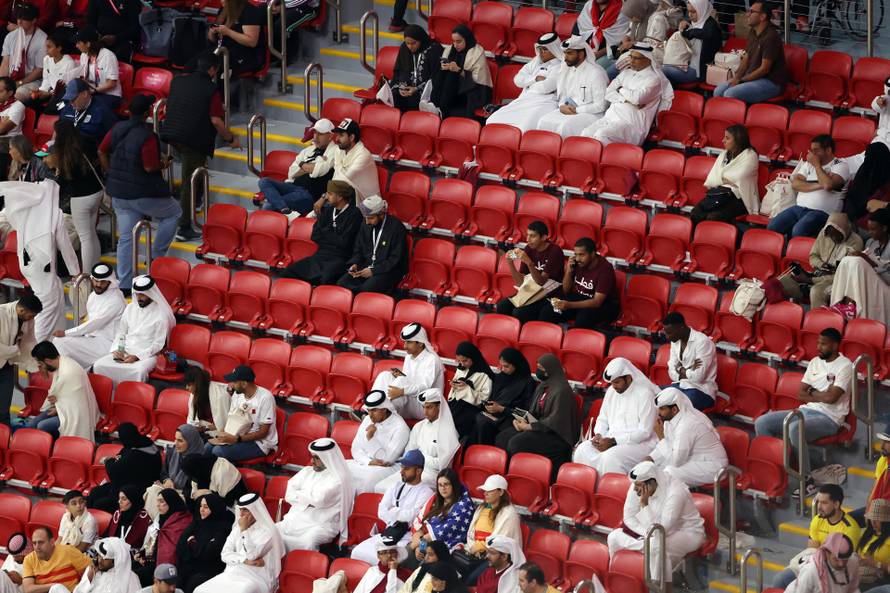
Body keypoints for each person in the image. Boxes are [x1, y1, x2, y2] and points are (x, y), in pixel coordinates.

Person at [755, 328, 853, 494]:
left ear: (835, 345)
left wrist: (812, 393)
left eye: (823, 344)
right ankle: (775, 472)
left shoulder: (845, 366)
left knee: (795, 429)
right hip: (805, 410)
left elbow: (832, 399)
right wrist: (821, 394)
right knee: (762, 422)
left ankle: (807, 480)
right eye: (818, 343)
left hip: (829, 418)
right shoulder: (815, 361)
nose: (818, 347)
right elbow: (801, 394)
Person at [98, 95, 180, 291]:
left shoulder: (117, 128)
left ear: (129, 111)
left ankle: (125, 283)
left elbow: (102, 151)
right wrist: (164, 163)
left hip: (118, 193)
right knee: (174, 213)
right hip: (142, 193)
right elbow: (150, 166)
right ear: (146, 114)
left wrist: (112, 173)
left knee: (126, 237)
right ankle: (156, 258)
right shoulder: (147, 135)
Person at [162, 51, 237, 242]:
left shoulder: (178, 80)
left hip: (171, 134)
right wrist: (230, 139)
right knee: (190, 181)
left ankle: (195, 202)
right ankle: (184, 226)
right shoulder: (210, 88)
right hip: (192, 139)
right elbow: (216, 121)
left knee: (193, 172)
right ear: (212, 69)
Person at [0, 180, 80, 341]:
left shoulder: (23, 210)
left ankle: (56, 343)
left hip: (25, 265)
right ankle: (34, 348)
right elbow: (65, 245)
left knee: (57, 297)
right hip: (42, 269)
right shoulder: (54, 213)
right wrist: (75, 271)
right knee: (46, 308)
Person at [607, 461, 705, 587]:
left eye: (638, 486)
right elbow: (629, 517)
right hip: (652, 532)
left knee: (657, 548)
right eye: (634, 485)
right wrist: (646, 534)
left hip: (688, 532)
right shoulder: (638, 485)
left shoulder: (675, 492)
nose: (635, 489)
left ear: (652, 483)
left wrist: (644, 504)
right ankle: (619, 582)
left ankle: (657, 588)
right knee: (613, 537)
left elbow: (660, 531)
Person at [495, 354, 580, 477]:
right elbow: (533, 411)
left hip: (556, 435)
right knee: (502, 437)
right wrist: (518, 421)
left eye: (541, 368)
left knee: (516, 443)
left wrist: (527, 427)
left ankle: (519, 476)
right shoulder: (543, 386)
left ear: (551, 369)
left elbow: (554, 422)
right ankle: (506, 473)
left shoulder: (562, 391)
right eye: (538, 367)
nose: (538, 371)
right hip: (539, 427)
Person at [573, 357, 658, 475]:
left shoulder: (645, 394)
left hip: (640, 444)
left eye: (617, 382)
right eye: (612, 383)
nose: (613, 386)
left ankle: (608, 491)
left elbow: (644, 432)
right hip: (610, 438)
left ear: (628, 378)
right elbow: (603, 418)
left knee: (610, 457)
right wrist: (599, 435)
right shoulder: (611, 392)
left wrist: (614, 442)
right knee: (582, 450)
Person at [350, 449, 434, 566]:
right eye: (402, 467)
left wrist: (393, 510)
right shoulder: (396, 486)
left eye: (406, 468)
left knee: (384, 561)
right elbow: (381, 511)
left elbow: (412, 517)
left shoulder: (426, 492)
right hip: (389, 531)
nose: (401, 471)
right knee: (357, 552)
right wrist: (398, 515)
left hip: (407, 537)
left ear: (418, 471)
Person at [582, 44, 674, 147]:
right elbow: (608, 93)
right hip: (610, 118)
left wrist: (620, 89)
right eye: (631, 56)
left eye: (636, 58)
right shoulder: (625, 73)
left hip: (631, 124)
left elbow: (637, 99)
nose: (632, 61)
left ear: (648, 59)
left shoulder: (654, 79)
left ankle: (612, 162)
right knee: (585, 133)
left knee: (602, 135)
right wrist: (625, 100)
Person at [772, 484, 863, 589]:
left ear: (836, 504)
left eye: (824, 503)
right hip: (814, 563)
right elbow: (812, 549)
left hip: (835, 571)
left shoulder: (850, 529)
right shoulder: (818, 520)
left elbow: (841, 561)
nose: (819, 506)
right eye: (818, 501)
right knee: (780, 579)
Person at [43, 120, 105, 272]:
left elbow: (63, 180)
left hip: (80, 198)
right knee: (91, 233)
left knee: (85, 237)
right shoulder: (86, 142)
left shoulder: (64, 152)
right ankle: (95, 269)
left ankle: (86, 274)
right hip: (97, 192)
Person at [92, 275, 176, 384]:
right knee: (99, 365)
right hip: (125, 352)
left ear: (150, 293)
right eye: (137, 294)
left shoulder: (161, 314)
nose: (139, 297)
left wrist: (137, 357)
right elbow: (121, 333)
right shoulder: (130, 308)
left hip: (147, 355)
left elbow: (158, 344)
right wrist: (117, 350)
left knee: (138, 371)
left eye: (142, 294)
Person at [194, 493, 285, 593]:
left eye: (245, 510)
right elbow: (224, 554)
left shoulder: (268, 531)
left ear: (255, 511)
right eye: (240, 509)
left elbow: (251, 556)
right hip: (232, 572)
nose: (241, 514)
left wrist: (244, 531)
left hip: (256, 577)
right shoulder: (238, 528)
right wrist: (244, 560)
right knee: (200, 590)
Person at [376, 388, 460, 493]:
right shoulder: (419, 426)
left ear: (439, 407)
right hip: (411, 470)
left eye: (429, 407)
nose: (425, 412)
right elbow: (408, 453)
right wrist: (416, 461)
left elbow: (443, 465)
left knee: (401, 491)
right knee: (380, 487)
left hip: (433, 475)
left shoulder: (448, 431)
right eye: (423, 407)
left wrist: (419, 459)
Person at [277, 437, 354, 552]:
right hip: (297, 517)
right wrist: (310, 499)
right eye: (312, 457)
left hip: (322, 524)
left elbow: (319, 500)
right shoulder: (307, 471)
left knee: (307, 543)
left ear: (328, 458)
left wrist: (300, 495)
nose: (312, 461)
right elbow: (289, 495)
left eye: (316, 458)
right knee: (272, 532)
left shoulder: (339, 479)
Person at [279, 180, 362, 285]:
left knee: (325, 279)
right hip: (320, 254)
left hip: (340, 258)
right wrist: (333, 235)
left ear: (340, 197)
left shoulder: (355, 214)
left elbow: (344, 243)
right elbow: (315, 235)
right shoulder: (327, 210)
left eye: (330, 194)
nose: (327, 197)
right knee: (288, 272)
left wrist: (325, 232)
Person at [769, 135, 852, 239]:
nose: (812, 154)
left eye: (816, 150)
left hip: (823, 213)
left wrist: (817, 165)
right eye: (811, 150)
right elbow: (795, 184)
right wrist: (819, 184)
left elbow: (828, 185)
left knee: (798, 231)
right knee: (773, 226)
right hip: (799, 209)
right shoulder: (808, 164)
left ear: (828, 150)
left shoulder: (840, 165)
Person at [647, 388, 728, 487]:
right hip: (693, 460)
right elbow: (669, 446)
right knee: (651, 468)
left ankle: (673, 501)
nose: (658, 413)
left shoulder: (687, 425)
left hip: (712, 466)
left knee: (669, 472)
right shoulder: (669, 420)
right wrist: (650, 458)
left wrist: (661, 436)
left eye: (662, 409)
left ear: (674, 409)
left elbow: (676, 461)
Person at [778, 214, 863, 305]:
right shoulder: (824, 233)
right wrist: (821, 264)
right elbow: (813, 256)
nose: (833, 238)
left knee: (816, 291)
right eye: (831, 236)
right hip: (817, 273)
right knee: (783, 280)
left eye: (836, 235)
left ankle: (816, 318)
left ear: (844, 231)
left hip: (837, 282)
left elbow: (845, 276)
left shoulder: (856, 242)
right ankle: (794, 313)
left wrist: (810, 280)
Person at [52, 264, 126, 368]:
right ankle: (72, 373)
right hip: (91, 339)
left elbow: (94, 324)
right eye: (96, 280)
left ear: (110, 281)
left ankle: (73, 373)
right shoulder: (93, 295)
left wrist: (66, 332)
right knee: (58, 342)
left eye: (102, 282)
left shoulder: (116, 300)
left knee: (62, 342)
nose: (98, 284)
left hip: (107, 344)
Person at [255, 119, 335, 215]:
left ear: (330, 136)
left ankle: (280, 207)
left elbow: (319, 170)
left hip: (308, 195)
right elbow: (292, 173)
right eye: (315, 133)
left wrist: (302, 165)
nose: (316, 137)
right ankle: (284, 208)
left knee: (268, 206)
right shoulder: (307, 150)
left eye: (320, 134)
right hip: (293, 187)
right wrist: (309, 167)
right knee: (264, 181)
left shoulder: (335, 151)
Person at [486, 34, 563, 133]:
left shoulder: (561, 66)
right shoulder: (535, 62)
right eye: (540, 49)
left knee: (524, 127)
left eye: (545, 49)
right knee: (492, 120)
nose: (541, 53)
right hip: (524, 100)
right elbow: (517, 80)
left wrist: (527, 84)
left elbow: (545, 87)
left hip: (544, 103)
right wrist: (535, 79)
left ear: (554, 49)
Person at [713, 0, 787, 103]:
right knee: (717, 92)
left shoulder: (771, 37)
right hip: (753, 77)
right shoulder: (753, 31)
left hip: (771, 82)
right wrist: (737, 78)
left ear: (762, 16)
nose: (747, 14)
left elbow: (764, 69)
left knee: (730, 94)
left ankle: (735, 118)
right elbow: (746, 58)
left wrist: (742, 80)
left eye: (752, 12)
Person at [539, 237, 620, 329]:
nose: (577, 258)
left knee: (583, 319)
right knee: (548, 310)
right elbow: (565, 289)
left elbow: (597, 302)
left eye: (581, 255)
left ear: (593, 254)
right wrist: (569, 271)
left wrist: (569, 305)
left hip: (605, 305)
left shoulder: (605, 269)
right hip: (581, 300)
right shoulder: (577, 263)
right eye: (576, 254)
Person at [494, 221, 566, 324]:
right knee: (502, 305)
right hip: (531, 291)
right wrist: (510, 263)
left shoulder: (555, 251)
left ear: (544, 237)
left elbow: (541, 282)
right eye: (527, 235)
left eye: (532, 236)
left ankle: (524, 336)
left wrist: (529, 263)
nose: (528, 239)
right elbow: (520, 283)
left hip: (549, 295)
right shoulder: (529, 249)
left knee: (519, 313)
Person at [337, 194, 410, 294]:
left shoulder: (396, 227)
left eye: (370, 218)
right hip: (367, 266)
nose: (367, 222)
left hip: (388, 270)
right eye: (365, 218)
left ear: (381, 214)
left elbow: (395, 259)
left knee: (366, 289)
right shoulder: (365, 224)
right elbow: (358, 248)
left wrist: (374, 271)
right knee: (342, 283)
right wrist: (355, 263)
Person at [537, 36, 608, 138]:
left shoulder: (596, 73)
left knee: (565, 126)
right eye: (565, 53)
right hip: (569, 109)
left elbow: (601, 105)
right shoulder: (568, 70)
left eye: (569, 53)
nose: (565, 57)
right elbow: (563, 94)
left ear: (581, 54)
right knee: (543, 121)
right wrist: (562, 106)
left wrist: (577, 110)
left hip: (592, 114)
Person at [371, 323, 444, 420]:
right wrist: (401, 376)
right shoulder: (408, 357)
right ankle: (372, 408)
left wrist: (402, 391)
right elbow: (408, 381)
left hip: (425, 405)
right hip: (408, 399)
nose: (404, 346)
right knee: (385, 375)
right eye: (405, 342)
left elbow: (425, 387)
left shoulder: (432, 360)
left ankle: (380, 414)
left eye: (409, 342)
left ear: (421, 343)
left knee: (401, 382)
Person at [29, 341, 99, 441]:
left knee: (42, 425)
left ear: (48, 361)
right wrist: (57, 405)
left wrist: (58, 409)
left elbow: (74, 406)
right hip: (63, 409)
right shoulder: (61, 362)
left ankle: (50, 451)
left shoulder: (68, 372)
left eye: (40, 364)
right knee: (32, 424)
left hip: (75, 415)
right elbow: (58, 396)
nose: (40, 367)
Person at [206, 365, 278, 463]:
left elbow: (263, 433)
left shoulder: (266, 398)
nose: (231, 385)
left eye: (235, 382)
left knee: (217, 451)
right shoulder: (237, 394)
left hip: (259, 443)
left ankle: (223, 476)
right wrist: (222, 435)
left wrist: (236, 439)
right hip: (237, 437)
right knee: (208, 447)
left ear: (244, 384)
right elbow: (231, 420)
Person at [690, 125, 760, 224]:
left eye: (727, 138)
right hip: (719, 194)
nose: (723, 140)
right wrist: (724, 179)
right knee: (695, 213)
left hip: (740, 199)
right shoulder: (723, 154)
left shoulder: (750, 155)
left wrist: (720, 178)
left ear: (738, 139)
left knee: (713, 217)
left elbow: (737, 177)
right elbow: (711, 179)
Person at [830, 207, 890, 323]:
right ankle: (840, 303)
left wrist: (868, 260)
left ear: (884, 228)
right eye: (869, 229)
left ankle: (851, 306)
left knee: (857, 262)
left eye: (873, 229)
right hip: (872, 285)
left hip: (886, 287)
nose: (870, 233)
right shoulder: (870, 243)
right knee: (848, 260)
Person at [87, 423, 162, 512]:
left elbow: (115, 470)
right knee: (95, 492)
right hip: (126, 483)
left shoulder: (136, 454)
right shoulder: (142, 442)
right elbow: (121, 458)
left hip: (137, 489)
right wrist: (115, 460)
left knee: (100, 504)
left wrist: (108, 461)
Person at [346, 390, 410, 494]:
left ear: (384, 409)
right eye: (368, 410)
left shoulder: (400, 427)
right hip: (365, 462)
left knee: (368, 480)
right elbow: (355, 448)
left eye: (374, 410)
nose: (370, 415)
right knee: (339, 469)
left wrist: (371, 438)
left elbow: (387, 460)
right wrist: (368, 461)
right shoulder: (368, 419)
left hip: (388, 467)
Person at [463, 477, 523, 584]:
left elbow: (497, 544)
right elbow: (470, 533)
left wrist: (478, 547)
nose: (485, 493)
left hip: (499, 559)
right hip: (476, 553)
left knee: (469, 581)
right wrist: (473, 546)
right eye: (485, 490)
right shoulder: (482, 507)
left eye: (490, 490)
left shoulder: (509, 513)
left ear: (501, 492)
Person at [472, 348, 536, 447]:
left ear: (516, 365)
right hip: (495, 414)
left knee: (485, 424)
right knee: (478, 419)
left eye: (506, 366)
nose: (502, 369)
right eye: (501, 366)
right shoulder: (501, 377)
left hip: (512, 418)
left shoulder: (528, 382)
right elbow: (494, 397)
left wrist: (502, 409)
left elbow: (525, 411)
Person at [425, 26, 492, 119]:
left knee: (452, 75)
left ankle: (441, 109)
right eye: (453, 41)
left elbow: (477, 79)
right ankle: (433, 104)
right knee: (441, 73)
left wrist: (459, 70)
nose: (455, 45)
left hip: (474, 90)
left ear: (467, 39)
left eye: (459, 41)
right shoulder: (450, 49)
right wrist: (445, 66)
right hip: (455, 88)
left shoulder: (477, 52)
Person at [408, 469, 475, 557]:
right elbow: (421, 527)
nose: (443, 488)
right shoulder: (435, 500)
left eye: (446, 484)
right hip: (423, 546)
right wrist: (418, 548)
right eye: (440, 485)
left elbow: (437, 534)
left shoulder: (463, 507)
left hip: (441, 553)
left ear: (454, 485)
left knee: (403, 557)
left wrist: (412, 548)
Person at [144, 425, 205, 520]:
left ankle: (161, 525)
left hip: (185, 497)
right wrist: (166, 480)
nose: (175, 443)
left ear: (191, 442)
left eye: (180, 441)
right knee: (153, 490)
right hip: (170, 490)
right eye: (175, 439)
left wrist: (175, 491)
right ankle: (150, 523)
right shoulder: (172, 452)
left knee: (164, 498)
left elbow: (196, 490)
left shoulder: (200, 461)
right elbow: (163, 473)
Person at [175, 493, 232, 593]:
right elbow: (181, 545)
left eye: (206, 507)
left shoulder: (224, 528)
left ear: (215, 508)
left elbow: (210, 553)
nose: (201, 509)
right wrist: (197, 547)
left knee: (192, 585)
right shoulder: (197, 522)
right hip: (190, 564)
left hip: (209, 569)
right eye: (201, 506)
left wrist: (192, 543)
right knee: (174, 581)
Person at [133, 490, 191, 586]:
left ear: (171, 502)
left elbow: (172, 551)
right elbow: (155, 543)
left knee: (134, 575)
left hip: (172, 568)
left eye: (161, 501)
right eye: (157, 501)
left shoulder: (182, 521)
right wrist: (143, 554)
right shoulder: (161, 518)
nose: (157, 505)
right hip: (153, 561)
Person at [663, 311, 718, 411]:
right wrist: (687, 370)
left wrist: (679, 368)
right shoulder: (674, 341)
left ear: (681, 328)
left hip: (701, 390)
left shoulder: (702, 342)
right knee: (656, 395)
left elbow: (698, 377)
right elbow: (671, 372)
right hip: (681, 385)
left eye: (670, 333)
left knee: (676, 406)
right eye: (666, 333)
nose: (667, 337)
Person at [0, 294, 41, 426]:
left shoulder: (28, 318)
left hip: (7, 365)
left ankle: (5, 441)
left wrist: (38, 359)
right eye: (31, 316)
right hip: (6, 356)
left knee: (4, 410)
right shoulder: (1, 314)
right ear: (22, 311)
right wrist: (15, 350)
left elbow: (29, 340)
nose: (32, 319)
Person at [662, 0, 721, 85]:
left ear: (701, 10)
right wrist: (682, 27)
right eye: (689, 11)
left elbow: (706, 34)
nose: (690, 15)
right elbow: (683, 34)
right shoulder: (694, 22)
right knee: (663, 69)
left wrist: (687, 32)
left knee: (664, 70)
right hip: (685, 65)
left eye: (693, 12)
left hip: (699, 71)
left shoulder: (711, 26)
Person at [57, 79, 116, 161]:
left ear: (84, 94)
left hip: (89, 156)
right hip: (67, 151)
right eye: (69, 99)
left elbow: (113, 137)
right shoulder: (67, 108)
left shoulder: (102, 111)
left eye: (73, 99)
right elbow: (57, 130)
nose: (71, 103)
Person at [389, 25, 443, 113]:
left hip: (425, 90)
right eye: (407, 43)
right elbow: (399, 71)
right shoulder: (404, 48)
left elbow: (436, 76)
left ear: (420, 40)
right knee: (395, 95)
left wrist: (417, 88)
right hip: (407, 87)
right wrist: (402, 87)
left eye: (413, 43)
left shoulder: (434, 49)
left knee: (414, 99)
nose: (410, 47)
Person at [323, 118, 380, 201]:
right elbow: (336, 176)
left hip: (367, 204)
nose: (337, 139)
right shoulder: (339, 150)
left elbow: (343, 181)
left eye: (341, 135)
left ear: (352, 137)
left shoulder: (363, 155)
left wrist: (324, 197)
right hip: (348, 194)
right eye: (337, 135)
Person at [0, 3, 46, 102]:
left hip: (32, 81)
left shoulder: (42, 39)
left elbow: (39, 71)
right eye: (18, 18)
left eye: (24, 19)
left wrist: (19, 83)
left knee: (18, 94)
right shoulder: (11, 36)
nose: (19, 22)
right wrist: (2, 82)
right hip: (11, 79)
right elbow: (5, 63)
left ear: (34, 20)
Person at [448, 341, 494, 439]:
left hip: (471, 408)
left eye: (465, 361)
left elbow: (484, 398)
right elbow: (454, 392)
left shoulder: (485, 374)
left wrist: (466, 388)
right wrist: (454, 386)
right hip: (456, 404)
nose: (462, 364)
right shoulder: (461, 368)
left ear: (473, 357)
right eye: (460, 361)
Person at [22, 527, 91, 592]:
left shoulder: (68, 551)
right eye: (34, 543)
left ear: (52, 542)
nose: (37, 547)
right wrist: (53, 586)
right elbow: (28, 589)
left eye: (41, 542)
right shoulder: (29, 559)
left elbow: (91, 569)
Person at [785, 533, 860, 593]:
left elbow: (853, 589)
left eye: (845, 560)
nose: (841, 564)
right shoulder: (811, 570)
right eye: (836, 559)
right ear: (827, 552)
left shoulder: (853, 561)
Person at [206, 0, 264, 76]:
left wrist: (228, 32)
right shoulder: (224, 9)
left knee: (208, 71)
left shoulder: (249, 10)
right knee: (194, 65)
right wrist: (211, 33)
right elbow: (214, 40)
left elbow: (252, 42)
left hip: (245, 56)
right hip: (223, 51)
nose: (221, 1)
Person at [27, 31, 76, 113]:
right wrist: (41, 92)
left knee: (53, 108)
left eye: (49, 47)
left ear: (59, 48)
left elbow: (67, 88)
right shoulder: (46, 59)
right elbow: (46, 79)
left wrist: (50, 94)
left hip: (64, 97)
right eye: (46, 47)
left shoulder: (69, 63)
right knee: (31, 101)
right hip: (50, 93)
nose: (46, 50)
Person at [71, 537, 140, 593]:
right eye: (99, 556)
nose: (100, 560)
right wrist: (88, 579)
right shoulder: (93, 571)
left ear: (115, 561)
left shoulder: (130, 577)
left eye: (105, 558)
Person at [74, 26, 119, 111]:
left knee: (88, 106)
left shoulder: (108, 55)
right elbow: (84, 77)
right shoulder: (83, 56)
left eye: (78, 43)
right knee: (74, 102)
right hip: (92, 93)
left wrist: (94, 91)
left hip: (110, 95)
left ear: (88, 44)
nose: (76, 46)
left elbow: (112, 83)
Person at [180, 454, 248, 509]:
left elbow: (229, 502)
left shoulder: (222, 471)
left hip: (234, 507)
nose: (190, 476)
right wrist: (193, 494)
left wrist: (207, 492)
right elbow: (190, 488)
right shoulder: (201, 468)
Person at [574, 0, 629, 67]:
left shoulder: (622, 8)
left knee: (592, 67)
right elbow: (578, 31)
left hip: (609, 53)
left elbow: (619, 42)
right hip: (585, 49)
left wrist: (598, 54)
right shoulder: (589, 5)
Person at [845, 143, 890, 223]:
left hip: (873, 223)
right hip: (851, 214)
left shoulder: (885, 181)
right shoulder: (865, 170)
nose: (868, 160)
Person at [855, 499, 890, 587]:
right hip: (860, 573)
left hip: (880, 580)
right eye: (871, 519)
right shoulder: (868, 533)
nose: (873, 523)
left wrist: (876, 564)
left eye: (877, 520)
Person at [184, 368, 222, 434]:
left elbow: (221, 425)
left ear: (197, 384)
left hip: (216, 434)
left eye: (189, 385)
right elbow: (192, 419)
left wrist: (204, 428)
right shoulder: (194, 395)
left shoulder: (219, 395)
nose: (186, 388)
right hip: (204, 431)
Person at [0, 76, 25, 174]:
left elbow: (2, 129)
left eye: (0, 91)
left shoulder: (18, 106)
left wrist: (2, 125)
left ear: (10, 93)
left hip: (10, 139)